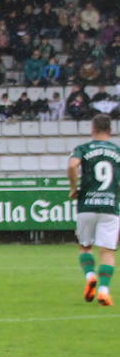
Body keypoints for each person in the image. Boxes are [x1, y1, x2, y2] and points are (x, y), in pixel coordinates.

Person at [68, 114, 120, 307]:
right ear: (111, 130)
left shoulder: (83, 148)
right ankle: (104, 291)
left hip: (86, 205)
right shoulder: (117, 151)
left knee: (85, 246)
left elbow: (73, 165)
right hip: (110, 206)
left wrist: (74, 188)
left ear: (92, 129)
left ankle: (90, 276)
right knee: (107, 252)